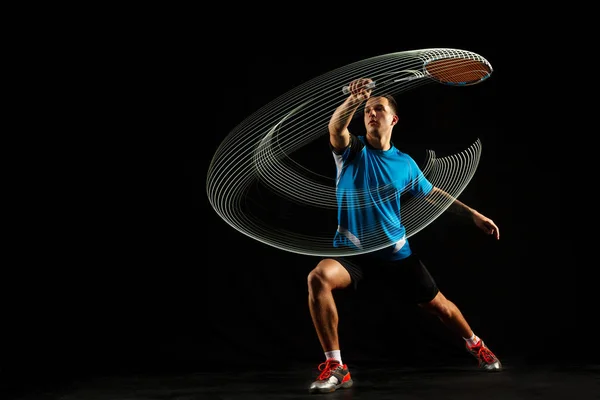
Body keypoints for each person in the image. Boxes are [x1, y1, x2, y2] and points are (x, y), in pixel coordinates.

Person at [307, 78, 502, 394]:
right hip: (354, 253)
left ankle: (475, 344)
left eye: (378, 108)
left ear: (393, 119)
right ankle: (337, 367)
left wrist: (475, 216)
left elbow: (433, 195)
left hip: (396, 254)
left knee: (439, 306)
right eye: (367, 110)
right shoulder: (351, 151)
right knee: (318, 278)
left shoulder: (405, 164)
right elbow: (335, 128)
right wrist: (353, 100)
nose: (371, 113)